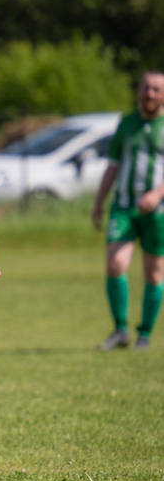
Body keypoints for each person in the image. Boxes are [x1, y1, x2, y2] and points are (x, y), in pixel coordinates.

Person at [92, 70, 164, 351]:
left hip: (158, 211)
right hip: (123, 207)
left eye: (156, 89)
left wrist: (157, 194)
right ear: (138, 90)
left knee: (154, 272)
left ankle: (144, 334)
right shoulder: (126, 124)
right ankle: (121, 330)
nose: (149, 94)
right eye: (146, 88)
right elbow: (113, 164)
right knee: (115, 264)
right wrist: (99, 202)